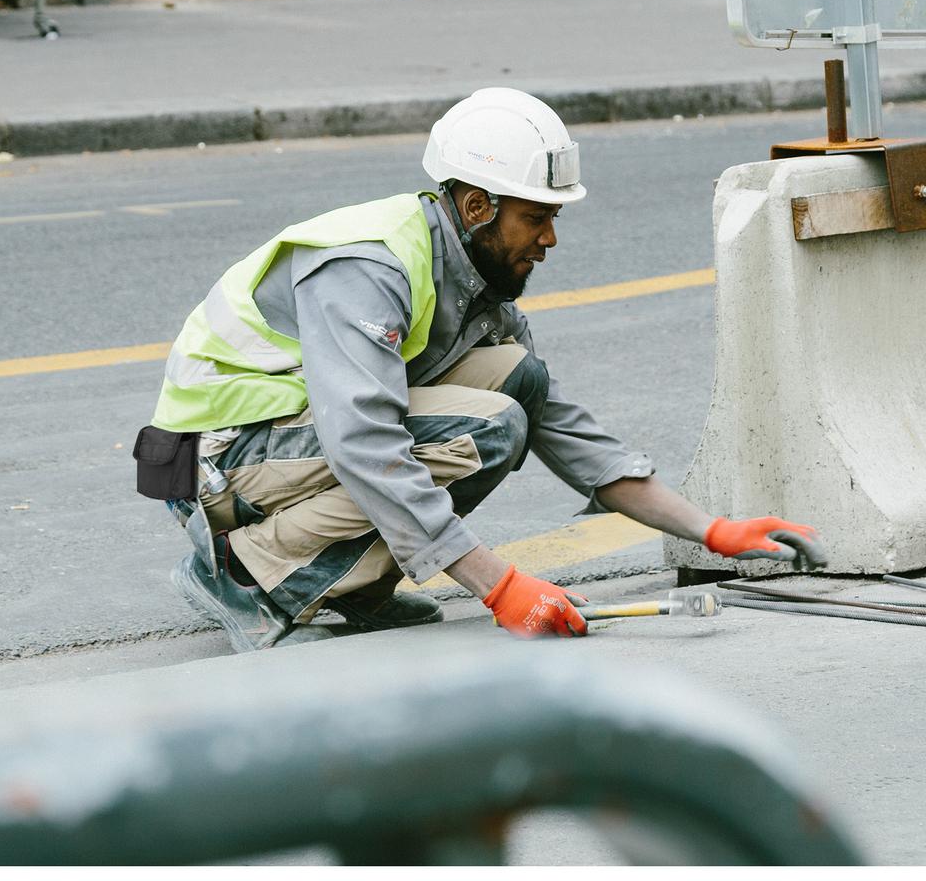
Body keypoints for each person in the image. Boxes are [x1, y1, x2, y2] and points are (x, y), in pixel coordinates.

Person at [150, 87, 826, 651]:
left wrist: (711, 531)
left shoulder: (474, 280)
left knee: (518, 382)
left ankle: (351, 587)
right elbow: (363, 442)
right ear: (478, 207)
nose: (550, 238)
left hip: (285, 445)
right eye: (536, 218)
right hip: (219, 461)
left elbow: (563, 427)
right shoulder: (369, 267)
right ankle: (245, 576)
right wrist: (498, 587)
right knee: (488, 427)